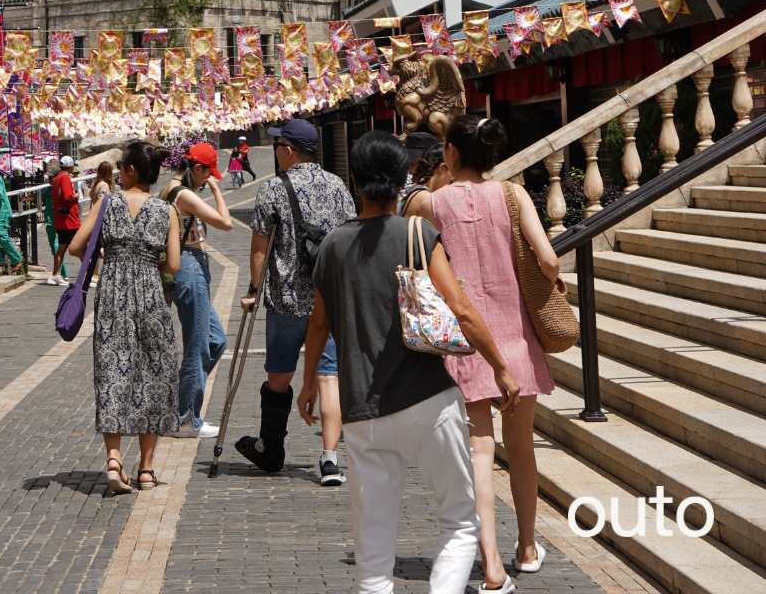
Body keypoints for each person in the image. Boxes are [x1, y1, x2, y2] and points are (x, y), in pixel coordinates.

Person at [298, 131, 520, 594]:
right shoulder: (416, 233)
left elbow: (318, 325)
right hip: (426, 401)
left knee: (373, 550)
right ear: (404, 178)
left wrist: (307, 384)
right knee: (459, 521)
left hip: (362, 413)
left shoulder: (333, 245)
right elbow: (459, 307)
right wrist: (499, 366)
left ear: (354, 179)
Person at [419, 115, 559, 590]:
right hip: (515, 335)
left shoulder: (431, 203)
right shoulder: (515, 196)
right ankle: (526, 546)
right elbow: (549, 259)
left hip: (464, 338)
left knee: (478, 451)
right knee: (521, 447)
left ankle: (491, 560)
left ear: (450, 153)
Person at [235, 119, 355, 486]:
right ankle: (331, 459)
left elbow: (259, 247)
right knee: (328, 378)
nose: (274, 151)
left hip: (286, 299)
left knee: (279, 376)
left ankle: (271, 449)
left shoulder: (273, 188)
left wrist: (255, 289)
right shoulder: (338, 185)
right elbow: (351, 235)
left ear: (288, 149)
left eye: (277, 145)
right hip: (329, 299)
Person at [69, 141, 181, 492]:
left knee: (112, 368)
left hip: (113, 296)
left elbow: (75, 247)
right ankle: (146, 469)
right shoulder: (167, 211)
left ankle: (114, 458)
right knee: (155, 372)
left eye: (122, 167)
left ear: (131, 170)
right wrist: (148, 264)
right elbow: (174, 265)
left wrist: (110, 258)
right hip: (150, 295)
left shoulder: (107, 202)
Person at [159, 142, 232, 439]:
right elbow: (226, 222)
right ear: (196, 168)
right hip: (189, 268)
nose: (208, 180)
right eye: (206, 174)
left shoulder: (172, 189)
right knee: (198, 344)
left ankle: (182, 408)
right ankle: (187, 418)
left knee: (214, 340)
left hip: (190, 267)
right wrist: (216, 192)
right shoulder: (183, 193)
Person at [50, 155, 81, 285]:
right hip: (69, 220)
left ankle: (55, 274)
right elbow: (68, 196)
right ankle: (92, 273)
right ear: (71, 167)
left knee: (62, 247)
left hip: (60, 219)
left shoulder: (57, 178)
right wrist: (77, 196)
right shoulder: (65, 178)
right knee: (80, 246)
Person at [400, 143, 454, 217]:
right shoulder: (426, 198)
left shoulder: (413, 189)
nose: (452, 179)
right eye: (452, 172)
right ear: (442, 168)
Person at [87, 160, 114, 287]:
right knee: (97, 248)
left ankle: (92, 273)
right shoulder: (103, 185)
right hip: (100, 220)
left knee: (95, 247)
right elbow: (102, 202)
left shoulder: (96, 183)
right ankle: (95, 275)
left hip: (94, 218)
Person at [43, 157, 69, 283]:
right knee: (55, 248)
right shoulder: (47, 190)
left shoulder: (61, 188)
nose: (49, 180)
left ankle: (61, 272)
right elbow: (36, 196)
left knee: (58, 247)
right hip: (50, 222)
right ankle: (60, 272)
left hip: (60, 222)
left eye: (51, 177)